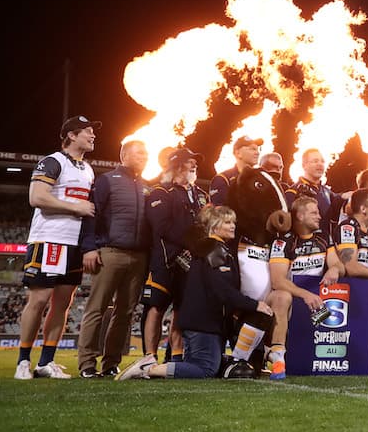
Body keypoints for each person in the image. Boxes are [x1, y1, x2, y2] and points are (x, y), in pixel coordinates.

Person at [116, 206, 274, 380]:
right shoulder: (215, 251)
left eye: (233, 222)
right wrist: (255, 304)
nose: (233, 226)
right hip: (203, 322)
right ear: (214, 226)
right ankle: (149, 369)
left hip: (201, 321)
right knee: (206, 369)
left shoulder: (212, 248)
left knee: (206, 365)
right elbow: (222, 290)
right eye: (227, 222)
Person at [14, 115, 101, 380]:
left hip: (74, 244)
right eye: (87, 131)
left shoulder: (88, 169)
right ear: (71, 135)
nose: (93, 136)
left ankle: (46, 362)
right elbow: (36, 197)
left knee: (63, 303)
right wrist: (76, 207)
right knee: (39, 300)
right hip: (50, 239)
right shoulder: (53, 161)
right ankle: (23, 362)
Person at [76, 140, 150, 378]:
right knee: (96, 308)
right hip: (110, 252)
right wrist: (89, 248)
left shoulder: (147, 186)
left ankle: (111, 363)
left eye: (146, 153)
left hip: (139, 256)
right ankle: (87, 364)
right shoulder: (107, 180)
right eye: (139, 153)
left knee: (125, 312)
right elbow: (91, 216)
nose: (144, 156)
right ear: (124, 155)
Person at [142, 147, 208, 365]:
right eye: (189, 162)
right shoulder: (160, 191)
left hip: (192, 262)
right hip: (166, 260)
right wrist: (190, 244)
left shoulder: (200, 194)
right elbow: (162, 227)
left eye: (194, 162)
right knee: (156, 307)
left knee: (181, 309)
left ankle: (176, 357)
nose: (194, 165)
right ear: (177, 165)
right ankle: (149, 357)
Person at [265, 196, 342, 380]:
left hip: (317, 302)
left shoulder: (324, 237)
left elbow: (339, 265)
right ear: (299, 215)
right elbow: (277, 281)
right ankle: (277, 359)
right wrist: (305, 294)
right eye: (314, 212)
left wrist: (334, 269)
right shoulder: (284, 242)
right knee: (282, 296)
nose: (319, 216)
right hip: (293, 301)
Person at [285, 148, 340, 221]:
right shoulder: (292, 192)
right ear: (304, 165)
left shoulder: (328, 192)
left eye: (322, 161)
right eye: (315, 161)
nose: (320, 164)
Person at [209, 136, 262, 206]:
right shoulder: (223, 179)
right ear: (238, 153)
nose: (257, 153)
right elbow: (219, 212)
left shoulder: (261, 179)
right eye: (252, 149)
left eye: (258, 149)